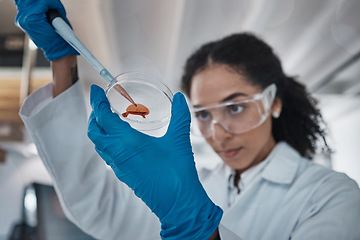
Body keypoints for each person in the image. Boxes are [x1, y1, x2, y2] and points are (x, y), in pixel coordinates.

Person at [15, 0, 360, 239]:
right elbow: (97, 205)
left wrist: (196, 226)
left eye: (235, 107)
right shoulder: (198, 185)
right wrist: (62, 59)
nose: (217, 132)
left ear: (274, 103)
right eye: (204, 114)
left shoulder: (330, 195)